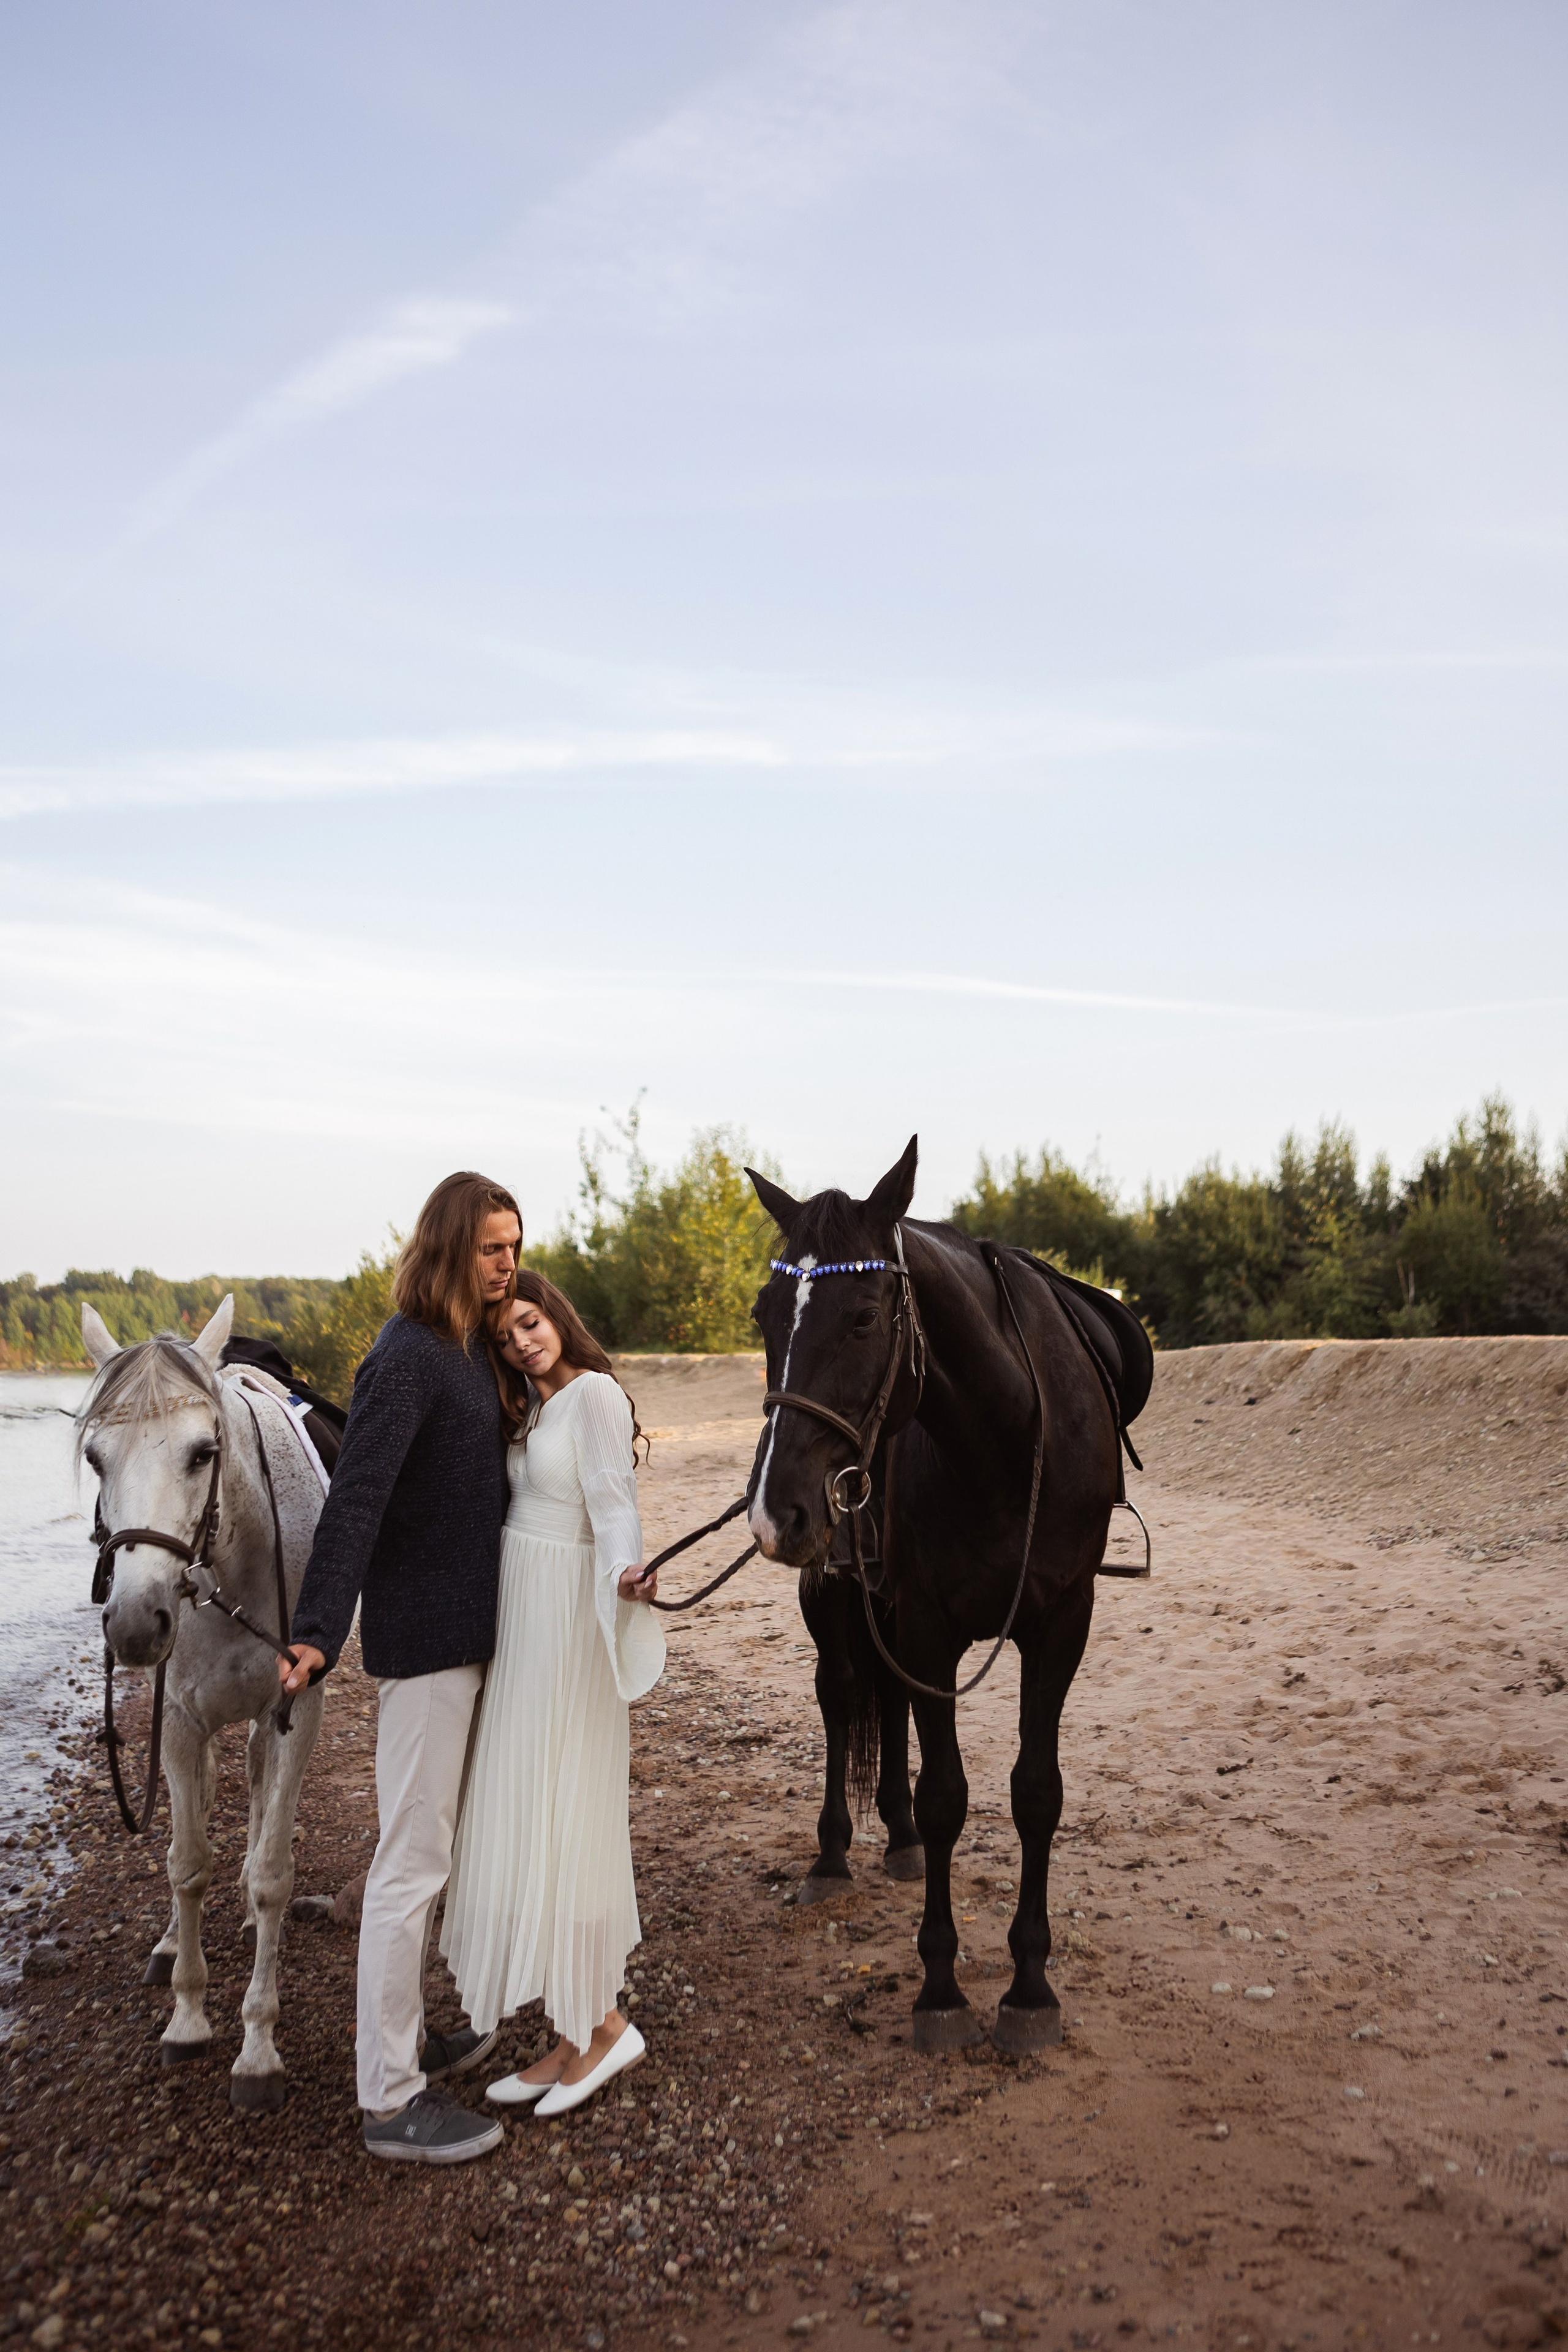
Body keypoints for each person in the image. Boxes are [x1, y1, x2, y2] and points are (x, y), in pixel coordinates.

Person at [279, 1171, 520, 2165]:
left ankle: (414, 2036)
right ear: (450, 1246)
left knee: (431, 1859)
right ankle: (389, 2096)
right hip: (424, 1649)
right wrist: (317, 1630)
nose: (511, 1264)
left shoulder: (467, 1352)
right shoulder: (406, 1356)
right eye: (493, 1248)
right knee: (408, 1867)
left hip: (470, 1641)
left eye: (516, 1245)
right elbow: (357, 1499)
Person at [440, 1270, 664, 2117]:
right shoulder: (531, 1410)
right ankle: (572, 2029)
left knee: (567, 1816)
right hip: (524, 1625)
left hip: (569, 1618)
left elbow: (613, 1501)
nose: (523, 1341)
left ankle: (607, 2029)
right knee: (533, 1818)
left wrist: (622, 1571)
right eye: (506, 1337)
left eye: (530, 1323)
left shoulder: (596, 1396)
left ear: (555, 1316)